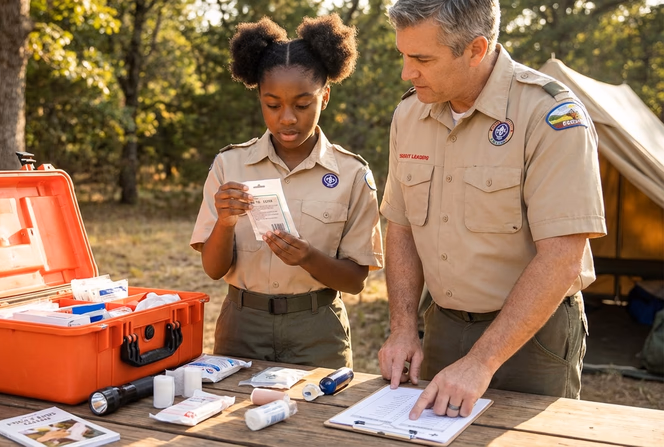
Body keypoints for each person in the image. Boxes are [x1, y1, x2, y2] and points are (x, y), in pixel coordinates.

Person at [378, 0, 606, 420]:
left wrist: (481, 361)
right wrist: (404, 328)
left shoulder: (549, 114)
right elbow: (402, 226)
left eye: (422, 59)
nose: (407, 72)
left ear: (476, 49)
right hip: (443, 327)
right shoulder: (409, 114)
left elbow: (561, 257)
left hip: (532, 336)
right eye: (403, 55)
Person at [190, 14, 383, 369]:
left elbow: (356, 281)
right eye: (273, 104)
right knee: (233, 422)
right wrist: (225, 223)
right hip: (241, 326)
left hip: (317, 329)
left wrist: (308, 258)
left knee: (317, 422)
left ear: (324, 97)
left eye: (302, 104)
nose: (287, 118)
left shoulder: (352, 174)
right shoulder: (229, 166)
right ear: (260, 99)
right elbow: (213, 269)